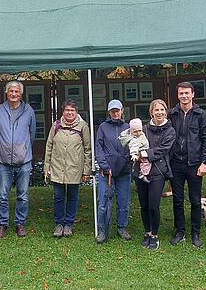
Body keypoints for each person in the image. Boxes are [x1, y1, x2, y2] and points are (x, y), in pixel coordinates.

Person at [168, 81, 206, 248]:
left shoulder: (201, 115)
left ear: (193, 94)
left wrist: (204, 162)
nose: (184, 96)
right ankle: (179, 231)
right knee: (177, 200)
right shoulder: (172, 114)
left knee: (195, 200)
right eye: (181, 93)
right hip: (175, 164)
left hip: (194, 164)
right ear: (178, 95)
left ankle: (196, 233)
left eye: (187, 93)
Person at [0, 80, 36, 238]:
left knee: (22, 194)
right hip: (4, 161)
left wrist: (23, 149)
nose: (14, 94)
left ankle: (19, 223)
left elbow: (32, 134)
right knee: (2, 195)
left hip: (24, 161)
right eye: (11, 91)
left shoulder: (29, 110)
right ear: (6, 93)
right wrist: (0, 150)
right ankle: (2, 224)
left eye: (17, 92)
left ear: (21, 93)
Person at [44, 100, 91, 238]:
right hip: (57, 167)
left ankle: (68, 224)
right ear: (63, 112)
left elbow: (88, 150)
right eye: (67, 110)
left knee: (72, 197)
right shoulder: (56, 125)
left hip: (74, 168)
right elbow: (49, 146)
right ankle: (59, 224)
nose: (69, 113)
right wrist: (47, 167)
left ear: (76, 112)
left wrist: (86, 171)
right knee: (58, 197)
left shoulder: (83, 126)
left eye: (72, 110)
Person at [133, 99, 176, 250]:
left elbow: (163, 150)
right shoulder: (143, 129)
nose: (159, 113)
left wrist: (143, 153)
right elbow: (134, 141)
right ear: (151, 112)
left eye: (162, 110)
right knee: (143, 205)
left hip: (158, 171)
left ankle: (155, 235)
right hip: (140, 171)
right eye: (156, 110)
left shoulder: (170, 130)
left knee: (153, 205)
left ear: (166, 112)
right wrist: (134, 152)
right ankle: (147, 232)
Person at [94, 99, 131, 243]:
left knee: (123, 202)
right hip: (106, 172)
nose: (115, 113)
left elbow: (132, 146)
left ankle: (122, 227)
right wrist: (104, 166)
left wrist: (128, 160)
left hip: (124, 171)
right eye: (112, 111)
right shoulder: (103, 127)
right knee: (103, 202)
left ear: (122, 111)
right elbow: (99, 147)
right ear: (109, 113)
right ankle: (102, 230)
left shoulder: (128, 127)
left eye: (118, 110)